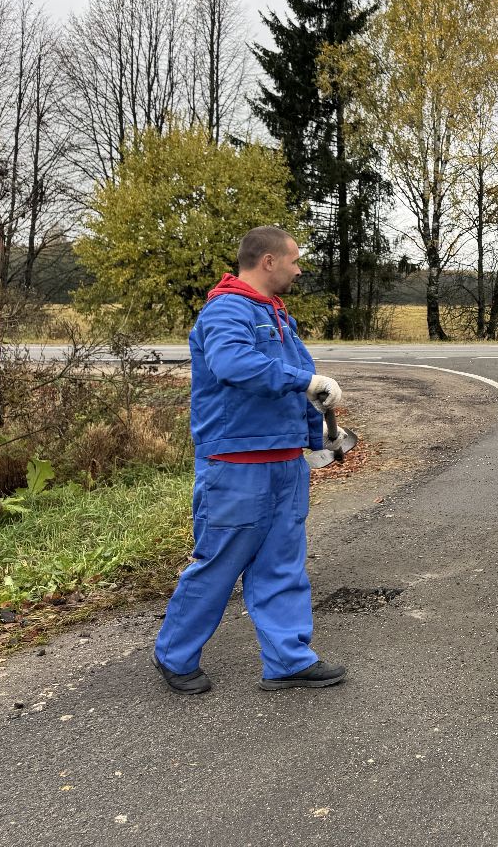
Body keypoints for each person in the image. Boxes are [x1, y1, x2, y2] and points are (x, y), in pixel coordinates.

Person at [153, 225, 349, 694]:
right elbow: (233, 365)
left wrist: (319, 440)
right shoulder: (227, 311)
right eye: (294, 260)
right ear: (268, 262)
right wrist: (303, 382)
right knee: (219, 562)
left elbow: (301, 388)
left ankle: (288, 660)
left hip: (284, 464)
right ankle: (174, 655)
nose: (299, 269)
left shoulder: (278, 315)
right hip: (237, 465)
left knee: (282, 563)